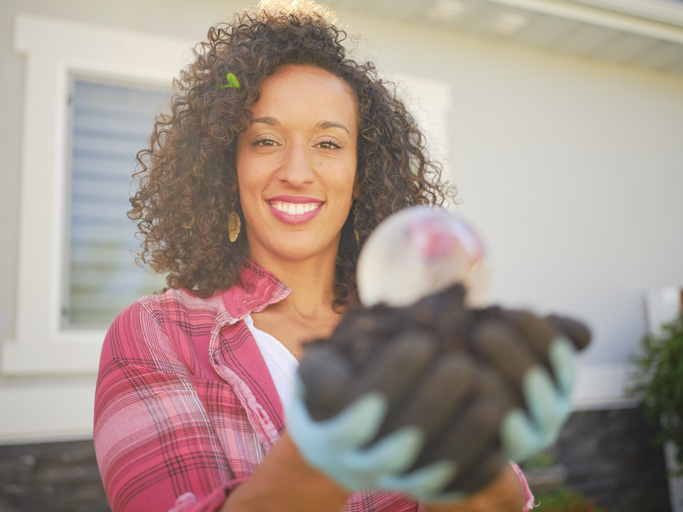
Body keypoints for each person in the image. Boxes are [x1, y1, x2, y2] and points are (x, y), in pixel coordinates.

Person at [93, 2, 537, 511]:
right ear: (225, 167)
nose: (297, 171)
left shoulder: (412, 330)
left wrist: (476, 453)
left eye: (328, 142)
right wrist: (332, 443)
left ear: (362, 172)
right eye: (265, 140)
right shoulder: (156, 334)